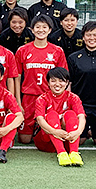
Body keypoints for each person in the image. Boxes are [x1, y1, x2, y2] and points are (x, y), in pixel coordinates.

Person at [14, 14, 67, 144]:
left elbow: (64, 78)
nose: (41, 30)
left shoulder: (57, 51)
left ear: (50, 30)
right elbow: (17, 77)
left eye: (44, 27)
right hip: (29, 97)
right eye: (37, 27)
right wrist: (18, 102)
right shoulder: (23, 50)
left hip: (50, 97)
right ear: (32, 29)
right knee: (24, 139)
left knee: (48, 138)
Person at [35, 67, 86, 166]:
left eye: (61, 81)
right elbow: (39, 119)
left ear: (67, 83)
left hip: (67, 140)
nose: (57, 84)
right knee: (52, 115)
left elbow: (81, 117)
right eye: (53, 81)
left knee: (70, 113)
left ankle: (74, 153)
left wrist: (78, 132)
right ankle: (61, 153)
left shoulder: (73, 97)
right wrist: (54, 131)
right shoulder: (42, 99)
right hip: (46, 142)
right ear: (48, 83)